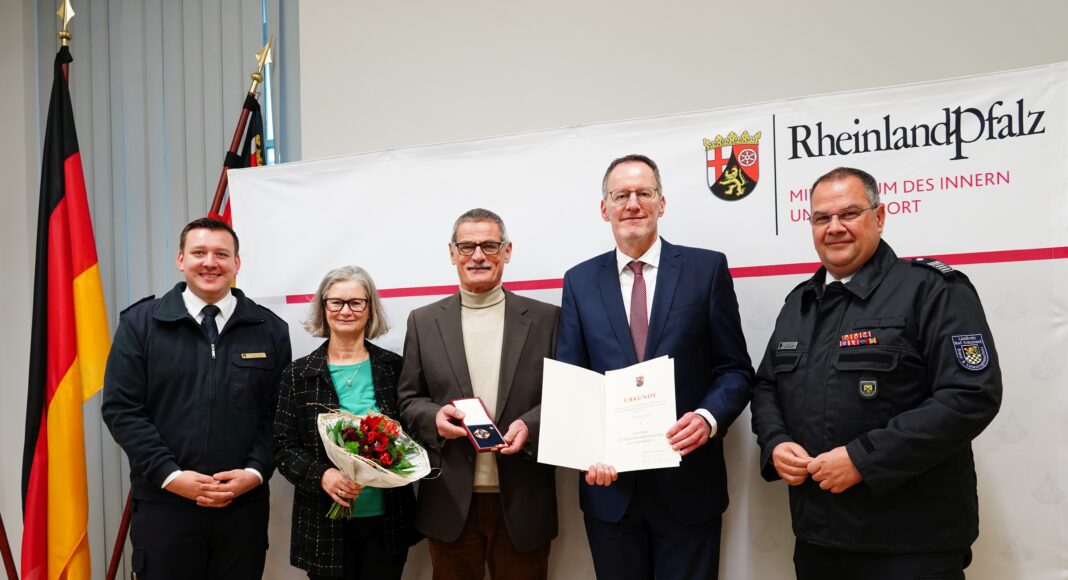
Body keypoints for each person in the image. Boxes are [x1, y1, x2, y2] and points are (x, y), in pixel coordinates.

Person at [750, 167, 1003, 580]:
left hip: (911, 543)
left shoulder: (932, 290)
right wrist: (776, 443)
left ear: (880, 217)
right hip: (818, 537)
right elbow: (766, 387)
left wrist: (862, 459)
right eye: (822, 218)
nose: (834, 228)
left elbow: (971, 394)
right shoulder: (799, 304)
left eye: (849, 214)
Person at [556, 154, 754, 580]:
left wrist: (707, 418)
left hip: (688, 486)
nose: (632, 204)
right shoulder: (579, 281)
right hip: (610, 491)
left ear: (661, 204)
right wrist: (586, 450)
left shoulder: (706, 270)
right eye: (620, 195)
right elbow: (572, 382)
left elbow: (735, 370)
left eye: (643, 193)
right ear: (604, 207)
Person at [101, 217, 291, 579]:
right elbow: (122, 409)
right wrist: (170, 475)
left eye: (221, 254)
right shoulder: (141, 324)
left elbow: (278, 415)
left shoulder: (269, 329)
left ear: (237, 263)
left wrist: (254, 473)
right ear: (180, 259)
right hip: (165, 506)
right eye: (199, 252)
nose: (210, 262)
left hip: (242, 509)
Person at [397, 208, 559, 580]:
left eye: (489, 245)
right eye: (467, 246)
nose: (478, 255)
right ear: (452, 253)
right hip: (450, 502)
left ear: (507, 251)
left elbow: (564, 396)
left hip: (523, 500)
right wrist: (434, 418)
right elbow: (408, 399)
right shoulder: (422, 322)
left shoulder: (547, 319)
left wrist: (529, 425)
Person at [273, 265, 420, 579]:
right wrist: (322, 475)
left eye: (356, 302)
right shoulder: (299, 375)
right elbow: (283, 448)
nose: (346, 310)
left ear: (370, 309)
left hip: (387, 522)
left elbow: (412, 434)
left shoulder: (394, 368)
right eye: (336, 302)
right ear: (323, 307)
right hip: (323, 523)